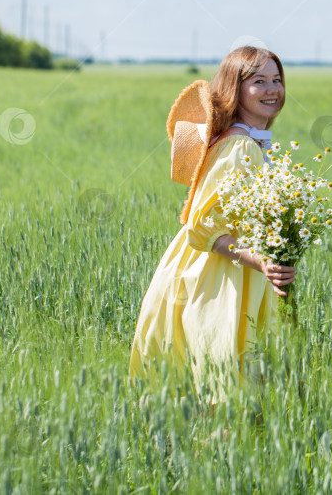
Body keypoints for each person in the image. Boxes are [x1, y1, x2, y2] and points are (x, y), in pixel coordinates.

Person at [129, 46, 297, 410]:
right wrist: (261, 262)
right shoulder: (241, 148)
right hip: (221, 274)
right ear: (236, 90)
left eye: (277, 79)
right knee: (228, 377)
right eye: (259, 82)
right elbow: (204, 225)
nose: (272, 89)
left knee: (224, 379)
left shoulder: (243, 141)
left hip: (229, 267)